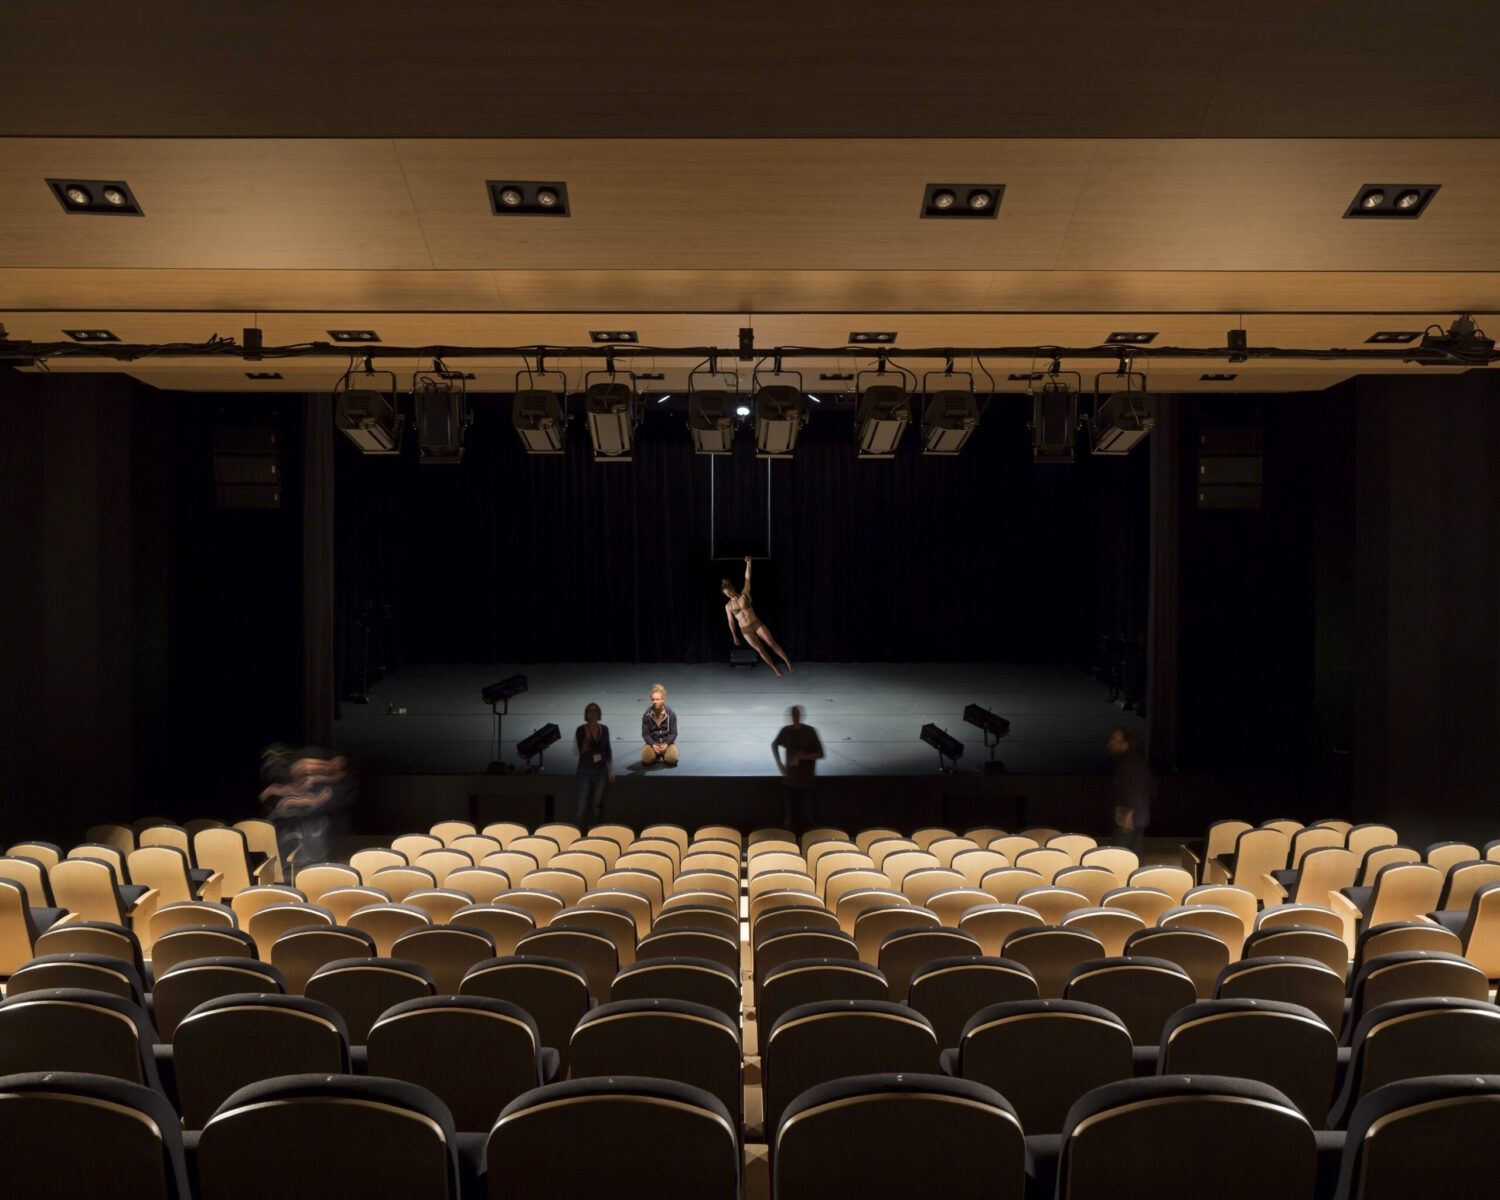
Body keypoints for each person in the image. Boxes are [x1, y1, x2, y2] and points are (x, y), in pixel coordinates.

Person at [723, 555, 793, 677]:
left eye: (729, 592)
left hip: (756, 623)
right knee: (760, 650)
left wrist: (749, 563)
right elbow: (731, 622)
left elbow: (747, 578)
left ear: (733, 588)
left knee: (772, 643)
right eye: (726, 594)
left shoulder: (744, 595)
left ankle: (787, 661)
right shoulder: (728, 606)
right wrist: (734, 636)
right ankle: (774, 668)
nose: (728, 595)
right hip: (745, 630)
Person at [772, 705, 824, 831]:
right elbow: (774, 744)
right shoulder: (786, 731)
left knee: (808, 818)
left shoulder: (809, 732)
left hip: (807, 781)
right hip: (790, 780)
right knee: (789, 818)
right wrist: (780, 765)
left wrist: (805, 756)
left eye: (797, 714)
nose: (795, 717)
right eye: (793, 714)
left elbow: (820, 753)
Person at [1107, 726, 1152, 855]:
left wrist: (1128, 813)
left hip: (1128, 818)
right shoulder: (1138, 761)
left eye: (1115, 741)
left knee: (1120, 856)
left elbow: (1132, 789)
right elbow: (1151, 787)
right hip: (1138, 816)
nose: (1111, 744)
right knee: (1134, 854)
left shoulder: (1128, 762)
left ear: (1125, 744)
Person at [573, 702, 615, 826]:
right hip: (585, 771)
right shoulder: (581, 730)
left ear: (598, 713)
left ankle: (593, 832)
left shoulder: (604, 729)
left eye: (595, 711)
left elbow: (607, 750)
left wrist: (610, 770)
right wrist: (588, 733)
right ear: (586, 714)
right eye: (590, 711)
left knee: (596, 805)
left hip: (600, 771)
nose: (593, 713)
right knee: (581, 806)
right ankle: (575, 832)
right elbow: (582, 750)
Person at [640, 682, 679, 767]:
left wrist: (667, 744)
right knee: (646, 761)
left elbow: (674, 733)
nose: (655, 702)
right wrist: (653, 744)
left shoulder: (671, 714)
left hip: (667, 743)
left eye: (657, 699)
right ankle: (656, 755)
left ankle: (663, 755)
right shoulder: (647, 715)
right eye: (653, 700)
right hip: (653, 743)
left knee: (672, 760)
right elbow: (645, 733)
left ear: (663, 699)